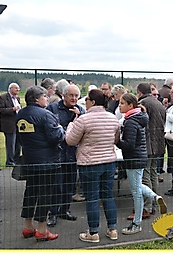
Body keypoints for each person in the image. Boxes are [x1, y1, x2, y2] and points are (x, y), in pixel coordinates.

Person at [65, 89, 121, 243]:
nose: (85, 102)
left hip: (89, 163)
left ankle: (93, 232)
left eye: (87, 99)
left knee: (92, 198)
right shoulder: (113, 118)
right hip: (109, 162)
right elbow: (116, 139)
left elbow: (70, 140)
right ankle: (113, 229)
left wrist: (71, 124)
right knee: (108, 196)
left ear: (93, 102)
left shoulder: (83, 119)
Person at [16, 85, 65, 241]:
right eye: (45, 96)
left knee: (30, 192)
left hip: (29, 160)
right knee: (45, 194)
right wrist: (62, 129)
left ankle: (28, 226)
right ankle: (42, 230)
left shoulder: (20, 114)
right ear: (37, 98)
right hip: (47, 161)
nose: (47, 98)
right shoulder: (46, 114)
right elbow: (55, 136)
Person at [117, 93, 167, 235]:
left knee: (136, 191)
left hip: (134, 158)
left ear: (130, 105)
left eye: (122, 103)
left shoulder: (131, 122)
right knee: (138, 186)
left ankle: (137, 223)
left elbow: (129, 144)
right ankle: (155, 197)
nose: (119, 105)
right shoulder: (138, 118)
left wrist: (117, 141)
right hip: (139, 157)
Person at [46, 84, 85, 227]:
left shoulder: (80, 110)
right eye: (71, 95)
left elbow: (84, 130)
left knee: (69, 184)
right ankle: (53, 213)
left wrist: (79, 117)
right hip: (57, 153)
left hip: (73, 154)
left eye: (76, 96)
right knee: (57, 185)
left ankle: (65, 209)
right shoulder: (53, 108)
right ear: (64, 95)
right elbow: (51, 129)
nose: (74, 98)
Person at [126, 82, 166, 220]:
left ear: (139, 92)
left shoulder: (143, 104)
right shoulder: (158, 103)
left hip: (147, 144)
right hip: (159, 143)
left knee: (146, 176)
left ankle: (147, 207)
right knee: (153, 173)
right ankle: (154, 204)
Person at [0, 82, 22, 166]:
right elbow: (1, 110)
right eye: (16, 88)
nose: (18, 90)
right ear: (10, 89)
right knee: (10, 144)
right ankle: (9, 161)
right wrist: (12, 109)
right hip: (8, 125)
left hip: (17, 124)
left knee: (18, 144)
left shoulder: (18, 98)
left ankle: (16, 160)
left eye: (18, 88)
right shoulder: (3, 97)